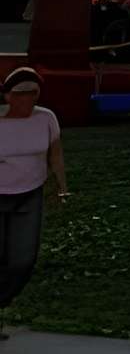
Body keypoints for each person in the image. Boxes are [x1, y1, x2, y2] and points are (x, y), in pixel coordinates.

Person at [0, 67, 70, 339]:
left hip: (30, 194)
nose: (28, 99)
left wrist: (62, 187)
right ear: (7, 96)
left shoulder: (46, 118)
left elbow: (56, 155)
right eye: (21, 94)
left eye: (33, 93)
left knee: (22, 260)